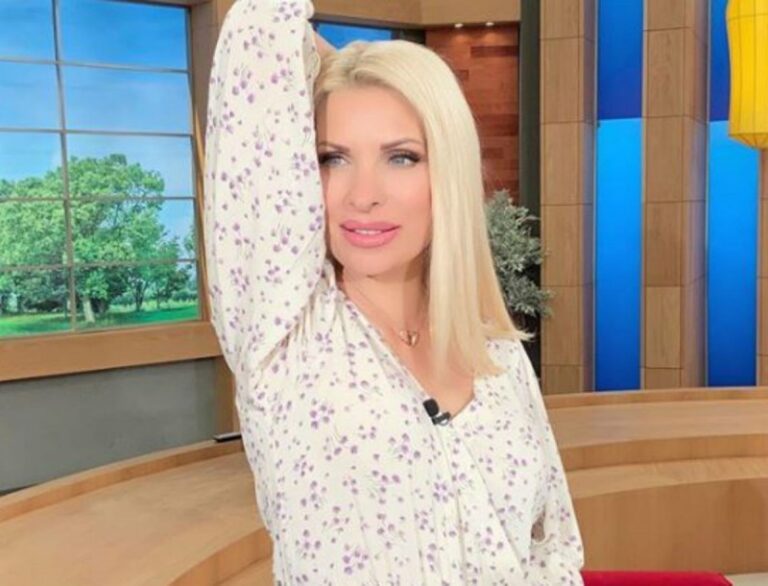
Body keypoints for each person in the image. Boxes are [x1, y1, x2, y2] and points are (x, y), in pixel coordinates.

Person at [203, 0, 584, 583]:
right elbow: (257, 30)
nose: (363, 195)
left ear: (448, 172)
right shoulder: (286, 338)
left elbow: (553, 549)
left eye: (401, 157)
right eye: (332, 159)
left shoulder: (499, 356)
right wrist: (345, 67)